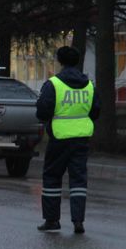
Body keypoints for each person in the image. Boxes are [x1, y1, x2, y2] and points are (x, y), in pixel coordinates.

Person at [35, 46, 100, 234]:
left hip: (59, 138)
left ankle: (52, 220)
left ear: (60, 61)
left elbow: (43, 111)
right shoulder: (89, 85)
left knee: (52, 177)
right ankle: (78, 221)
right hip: (81, 138)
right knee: (78, 179)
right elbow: (96, 110)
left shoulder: (54, 84)